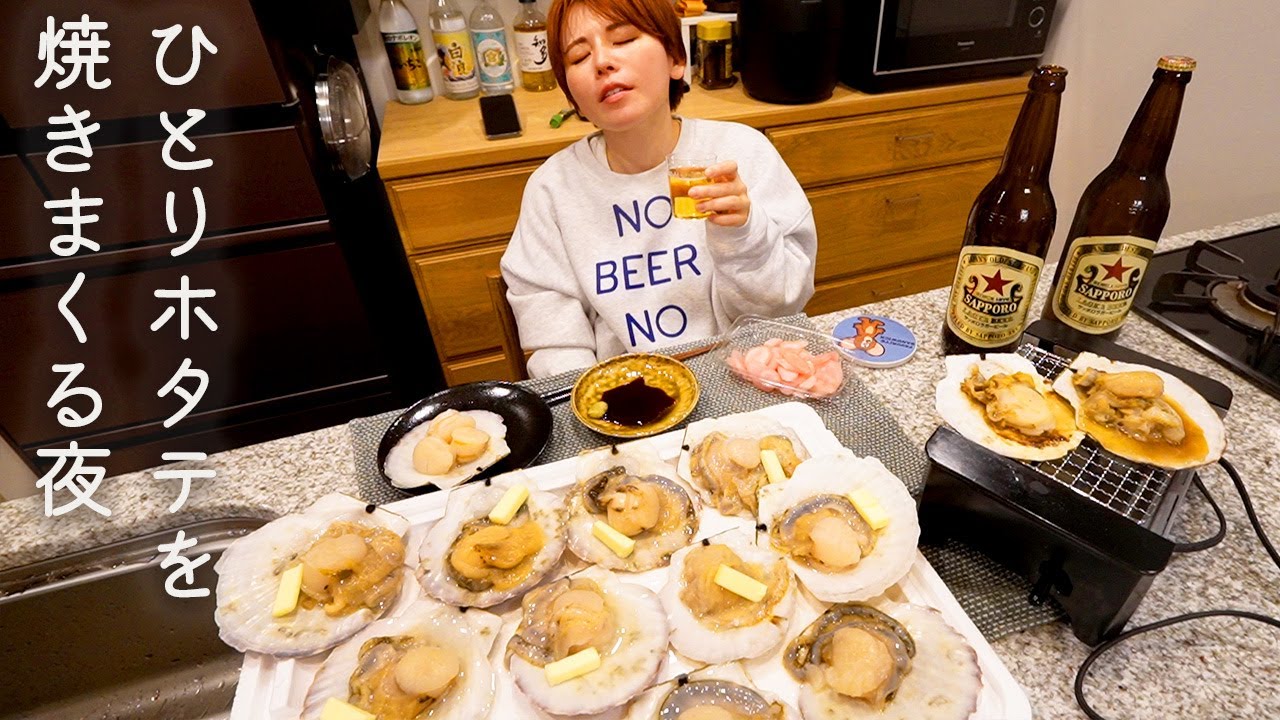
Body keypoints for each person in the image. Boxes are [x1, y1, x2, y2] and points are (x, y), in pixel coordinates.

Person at [500, 0, 817, 378]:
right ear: (572, 96)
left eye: (624, 39)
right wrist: (594, 396)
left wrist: (744, 235)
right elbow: (553, 335)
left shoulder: (740, 153)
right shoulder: (552, 190)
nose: (602, 61)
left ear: (675, 59)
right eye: (580, 56)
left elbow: (781, 308)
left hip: (745, 377)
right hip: (624, 396)